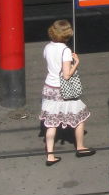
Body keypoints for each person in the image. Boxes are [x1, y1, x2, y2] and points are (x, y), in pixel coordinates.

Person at [39, 19, 95, 166]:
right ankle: (80, 147)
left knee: (51, 122)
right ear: (67, 34)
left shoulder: (47, 47)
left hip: (49, 87)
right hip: (63, 89)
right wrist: (76, 62)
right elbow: (66, 75)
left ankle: (50, 155)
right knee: (80, 117)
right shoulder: (65, 50)